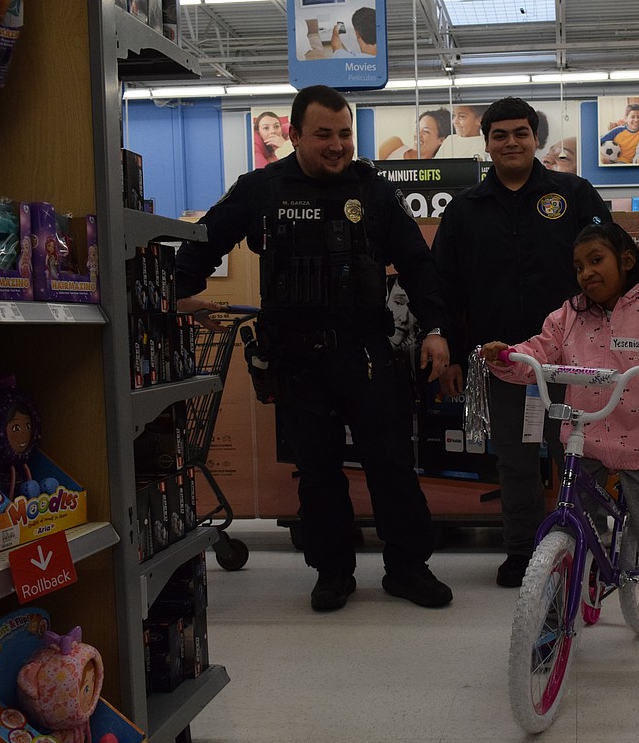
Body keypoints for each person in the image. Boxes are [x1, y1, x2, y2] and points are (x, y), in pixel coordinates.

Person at [174, 85, 454, 612]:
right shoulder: (261, 189)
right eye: (323, 134)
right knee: (319, 473)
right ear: (295, 135)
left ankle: (408, 568)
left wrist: (435, 326)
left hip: (367, 352)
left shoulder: (373, 191)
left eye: (344, 134)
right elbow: (205, 240)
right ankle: (332, 573)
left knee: (391, 464)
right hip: (297, 359)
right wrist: (176, 291)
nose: (336, 145)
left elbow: (417, 262)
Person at [480, 222, 639, 691]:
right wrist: (510, 356)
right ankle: (554, 610)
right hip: (584, 437)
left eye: (596, 261)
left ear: (625, 260)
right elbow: (540, 351)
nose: (586, 273)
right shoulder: (568, 315)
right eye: (579, 266)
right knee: (570, 520)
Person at [433, 96, 612, 588]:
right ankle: (522, 552)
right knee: (513, 460)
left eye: (520, 132)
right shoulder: (465, 210)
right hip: (504, 359)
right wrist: (451, 348)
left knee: (580, 458)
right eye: (500, 135)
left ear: (536, 138)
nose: (511, 142)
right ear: (486, 143)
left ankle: (591, 551)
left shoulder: (573, 195)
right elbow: (444, 287)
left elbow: (611, 264)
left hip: (576, 358)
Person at [380, 108, 451, 160]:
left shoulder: (432, 171)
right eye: (417, 129)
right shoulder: (394, 143)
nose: (418, 134)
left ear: (441, 140)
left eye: (426, 131)